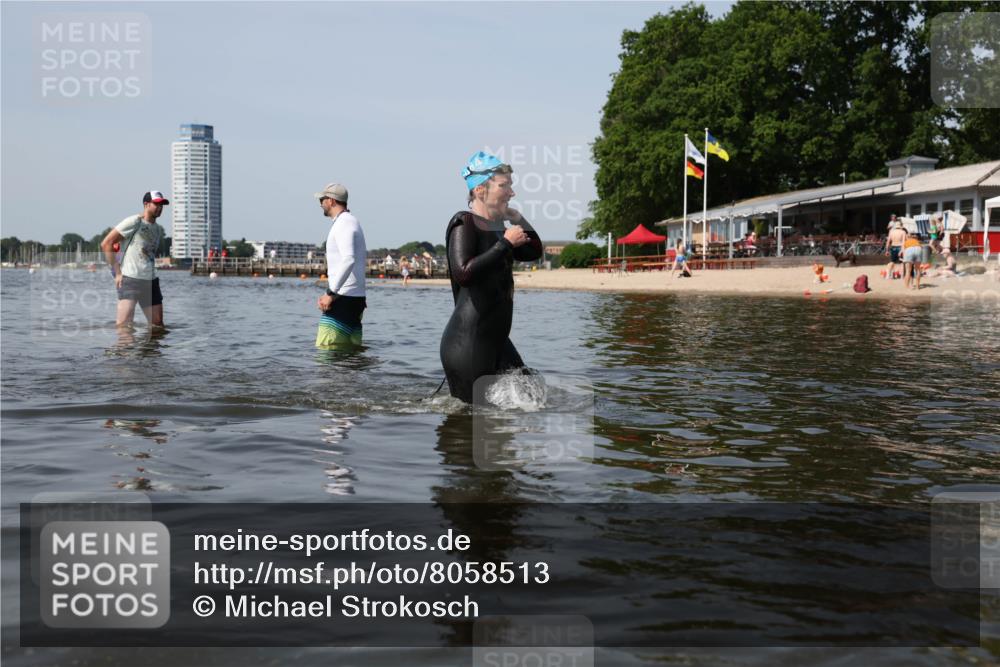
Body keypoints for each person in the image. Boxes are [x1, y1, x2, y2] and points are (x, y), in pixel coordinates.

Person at [439, 151, 542, 404]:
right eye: (504, 185)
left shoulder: (498, 230)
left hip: (496, 340)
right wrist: (505, 244)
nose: (511, 192)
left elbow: (533, 251)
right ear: (481, 189)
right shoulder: (464, 223)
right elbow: (463, 272)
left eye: (511, 186)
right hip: (468, 344)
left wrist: (518, 219)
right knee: (470, 422)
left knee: (530, 394)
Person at [100, 190, 168, 327]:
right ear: (146, 204)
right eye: (157, 204)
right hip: (131, 279)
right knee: (124, 325)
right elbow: (106, 243)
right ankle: (124, 349)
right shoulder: (134, 222)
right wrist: (117, 273)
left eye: (162, 205)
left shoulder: (157, 228)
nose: (160, 208)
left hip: (151, 281)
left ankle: (149, 349)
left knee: (158, 326)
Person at [314, 183, 367, 349]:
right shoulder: (350, 221)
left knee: (326, 353)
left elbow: (348, 259)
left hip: (343, 297)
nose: (320, 203)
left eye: (322, 200)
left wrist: (331, 293)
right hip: (353, 298)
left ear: (331, 201)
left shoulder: (344, 223)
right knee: (349, 356)